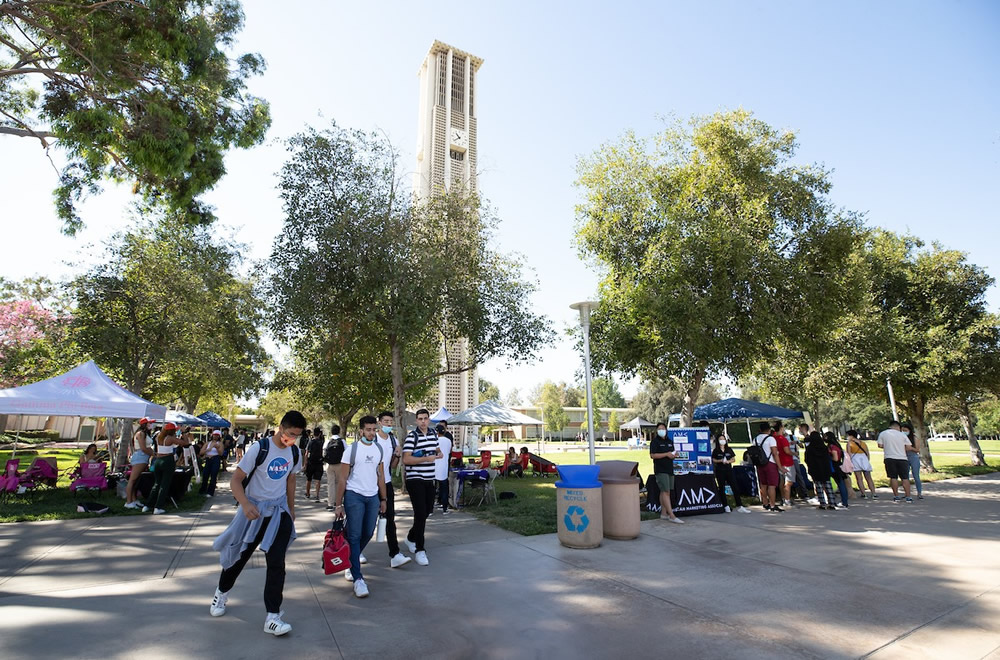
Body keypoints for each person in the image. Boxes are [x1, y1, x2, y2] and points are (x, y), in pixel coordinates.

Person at [210, 410, 304, 636]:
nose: (292, 439)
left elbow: (290, 479)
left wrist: (291, 510)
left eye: (297, 436)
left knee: (277, 563)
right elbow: (236, 480)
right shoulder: (259, 449)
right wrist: (244, 504)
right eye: (290, 434)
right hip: (253, 512)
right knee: (239, 557)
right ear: (281, 427)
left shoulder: (294, 451)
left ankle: (273, 616)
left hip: (278, 512)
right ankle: (221, 592)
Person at [334, 416, 389, 597]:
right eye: (368, 430)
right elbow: (342, 478)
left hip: (372, 496)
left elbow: (380, 476)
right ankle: (358, 579)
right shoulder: (352, 450)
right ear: (361, 431)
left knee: (367, 533)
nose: (372, 433)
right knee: (355, 535)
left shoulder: (378, 449)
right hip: (354, 496)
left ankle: (350, 559)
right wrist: (338, 504)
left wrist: (383, 499)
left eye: (374, 429)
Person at [402, 408, 443, 565]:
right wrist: (426, 458)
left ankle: (411, 537)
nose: (423, 421)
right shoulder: (412, 437)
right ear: (416, 421)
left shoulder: (433, 434)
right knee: (420, 513)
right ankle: (420, 550)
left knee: (426, 512)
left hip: (429, 478)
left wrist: (439, 454)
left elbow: (436, 448)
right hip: (415, 478)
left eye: (426, 418)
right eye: (420, 419)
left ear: (429, 419)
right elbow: (406, 460)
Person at [374, 411, 411, 568]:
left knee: (390, 519)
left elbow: (392, 466)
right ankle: (356, 553)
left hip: (387, 484)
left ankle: (395, 554)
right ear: (379, 422)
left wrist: (397, 455)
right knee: (364, 521)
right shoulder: (373, 438)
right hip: (370, 485)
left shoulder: (393, 439)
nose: (388, 424)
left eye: (390, 421)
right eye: (385, 421)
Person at [143, 422, 190, 514]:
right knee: (164, 485)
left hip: (158, 461)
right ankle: (158, 506)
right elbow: (185, 443)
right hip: (167, 460)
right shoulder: (171, 438)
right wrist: (184, 433)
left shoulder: (158, 437)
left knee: (156, 484)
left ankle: (148, 505)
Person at [649, 422, 683, 523]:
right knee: (666, 491)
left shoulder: (669, 441)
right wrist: (666, 454)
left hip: (670, 469)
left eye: (663, 428)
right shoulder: (655, 442)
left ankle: (663, 513)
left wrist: (673, 455)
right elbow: (653, 455)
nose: (662, 430)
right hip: (660, 470)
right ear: (657, 430)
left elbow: (671, 453)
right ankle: (671, 515)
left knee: (664, 491)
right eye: (659, 429)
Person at [711, 432, 750, 513]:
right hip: (720, 470)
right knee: (722, 488)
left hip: (729, 470)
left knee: (735, 487)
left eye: (723, 439)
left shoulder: (729, 449)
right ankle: (725, 505)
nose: (722, 441)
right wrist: (720, 460)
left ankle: (739, 505)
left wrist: (728, 461)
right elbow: (713, 459)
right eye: (720, 439)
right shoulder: (716, 450)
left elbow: (733, 459)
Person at [877, 420, 913, 503]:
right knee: (905, 478)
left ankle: (896, 495)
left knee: (893, 477)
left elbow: (880, 445)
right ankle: (908, 496)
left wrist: (888, 447)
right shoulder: (902, 435)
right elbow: (908, 447)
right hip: (902, 458)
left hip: (889, 457)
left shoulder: (883, 433)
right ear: (898, 427)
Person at [124, 418, 154, 509]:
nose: (151, 425)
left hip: (144, 457)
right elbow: (143, 448)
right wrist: (154, 454)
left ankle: (134, 499)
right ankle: (129, 502)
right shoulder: (140, 433)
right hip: (140, 457)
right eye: (150, 423)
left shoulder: (145, 434)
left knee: (136, 480)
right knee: (132, 480)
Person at [752, 423, 782, 512]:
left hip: (760, 463)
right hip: (770, 463)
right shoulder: (771, 439)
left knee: (763, 485)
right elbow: (775, 453)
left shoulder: (755, 439)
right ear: (769, 430)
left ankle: (765, 503)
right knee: (772, 485)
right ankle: (772, 505)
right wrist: (780, 466)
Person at [805, 431, 835, 510]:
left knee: (819, 486)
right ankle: (832, 502)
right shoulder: (824, 447)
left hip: (815, 469)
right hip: (825, 468)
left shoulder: (810, 448)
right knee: (828, 485)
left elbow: (807, 459)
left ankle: (822, 503)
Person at [846, 430, 877, 499]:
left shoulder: (849, 444)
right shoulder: (863, 443)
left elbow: (848, 454)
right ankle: (873, 493)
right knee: (869, 478)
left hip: (855, 460)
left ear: (851, 436)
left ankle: (863, 493)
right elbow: (867, 453)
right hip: (864, 460)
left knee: (859, 478)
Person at [825, 432, 850, 508]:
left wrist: (828, 457)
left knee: (840, 484)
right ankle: (844, 501)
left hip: (834, 467)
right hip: (838, 466)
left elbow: (835, 458)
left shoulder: (832, 447)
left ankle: (844, 502)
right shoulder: (837, 445)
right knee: (841, 483)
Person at [323, 425, 345, 511]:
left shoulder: (328, 441)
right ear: (339, 431)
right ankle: (337, 501)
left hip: (329, 464)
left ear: (331, 432)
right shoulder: (342, 441)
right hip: (339, 464)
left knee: (330, 483)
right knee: (339, 482)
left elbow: (324, 451)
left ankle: (330, 503)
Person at [773, 422, 795, 506]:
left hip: (779, 462)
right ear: (781, 428)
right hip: (787, 462)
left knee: (781, 481)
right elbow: (787, 451)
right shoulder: (783, 439)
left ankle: (783, 498)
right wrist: (794, 453)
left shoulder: (774, 438)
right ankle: (787, 499)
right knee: (788, 482)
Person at [901, 423, 924, 499]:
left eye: (905, 430)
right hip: (904, 457)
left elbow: (917, 450)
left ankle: (919, 493)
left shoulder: (915, 438)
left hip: (913, 457)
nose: (903, 432)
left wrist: (910, 448)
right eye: (902, 430)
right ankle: (907, 493)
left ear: (909, 430)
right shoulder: (901, 438)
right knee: (905, 477)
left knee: (916, 476)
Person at [199, 430, 225, 497]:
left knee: (213, 475)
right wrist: (208, 449)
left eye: (217, 435)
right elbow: (201, 452)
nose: (215, 436)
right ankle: (203, 490)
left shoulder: (220, 443)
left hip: (215, 459)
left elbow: (221, 453)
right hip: (208, 459)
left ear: (219, 436)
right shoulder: (208, 443)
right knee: (205, 475)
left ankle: (210, 492)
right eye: (214, 435)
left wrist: (217, 448)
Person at [434, 423, 453, 514]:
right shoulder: (448, 441)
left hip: (433, 467)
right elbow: (449, 451)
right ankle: (445, 508)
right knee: (444, 489)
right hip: (444, 467)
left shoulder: (434, 440)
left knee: (432, 489)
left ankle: (430, 509)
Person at [303, 426, 325, 502]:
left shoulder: (311, 442)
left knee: (308, 479)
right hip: (318, 463)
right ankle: (317, 495)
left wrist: (305, 464)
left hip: (311, 462)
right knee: (317, 480)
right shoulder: (321, 442)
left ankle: (308, 493)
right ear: (319, 434)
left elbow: (306, 453)